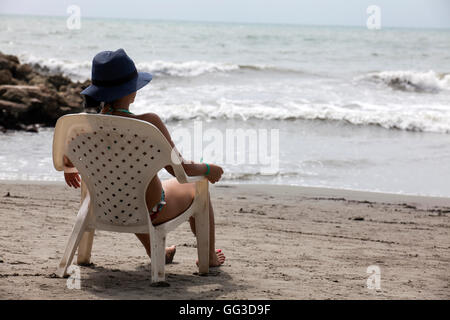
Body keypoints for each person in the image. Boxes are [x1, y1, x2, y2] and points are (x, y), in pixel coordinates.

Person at [63, 48, 225, 267]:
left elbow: (67, 156)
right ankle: (209, 257)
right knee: (195, 188)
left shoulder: (81, 128)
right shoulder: (148, 124)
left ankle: (158, 251)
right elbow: (181, 169)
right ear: (133, 91)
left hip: (101, 207)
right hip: (147, 211)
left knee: (124, 183)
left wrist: (68, 169)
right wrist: (208, 169)